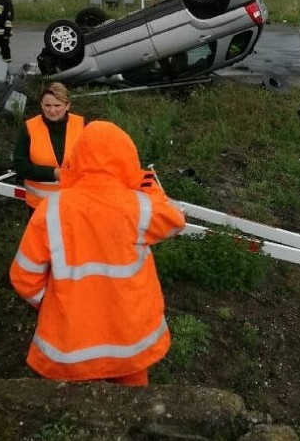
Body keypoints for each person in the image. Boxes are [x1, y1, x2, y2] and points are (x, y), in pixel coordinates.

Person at [10, 120, 185, 385]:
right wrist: (147, 184)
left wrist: (52, 304)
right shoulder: (139, 207)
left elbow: (24, 277)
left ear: (77, 158)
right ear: (127, 158)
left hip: (71, 347)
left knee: (78, 415)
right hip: (129, 339)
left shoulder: (52, 209)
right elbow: (175, 219)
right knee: (130, 409)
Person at [12, 82, 84, 215]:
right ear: (41, 105)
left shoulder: (82, 126)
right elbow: (20, 165)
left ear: (67, 105)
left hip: (74, 203)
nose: (52, 110)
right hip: (40, 207)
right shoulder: (29, 128)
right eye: (47, 105)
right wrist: (53, 173)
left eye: (57, 105)